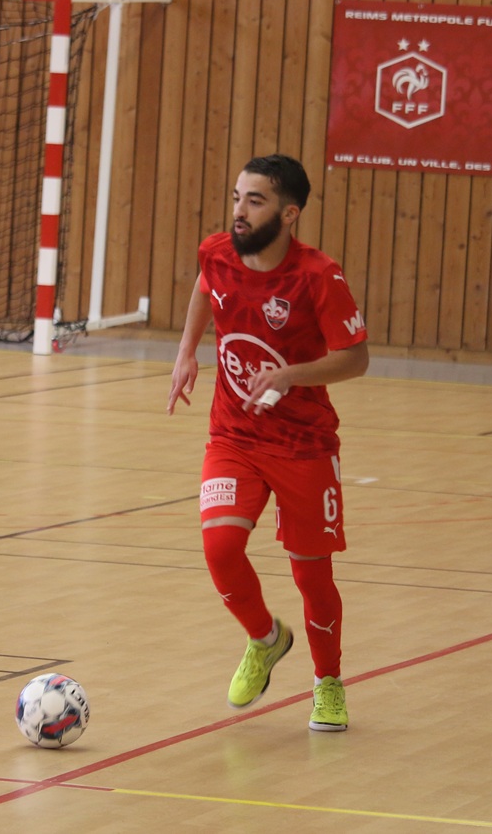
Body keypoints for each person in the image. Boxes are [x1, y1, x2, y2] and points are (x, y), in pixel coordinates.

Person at [167, 154, 369, 731]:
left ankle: (328, 683)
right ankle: (265, 639)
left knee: (312, 577)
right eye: (237, 197)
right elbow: (206, 285)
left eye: (255, 201)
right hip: (233, 435)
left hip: (303, 445)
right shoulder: (217, 251)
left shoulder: (317, 276)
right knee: (220, 548)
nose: (240, 210)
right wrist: (186, 351)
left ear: (289, 213)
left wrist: (290, 376)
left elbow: (356, 358)